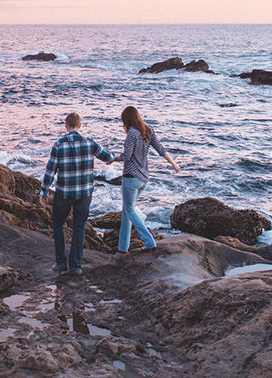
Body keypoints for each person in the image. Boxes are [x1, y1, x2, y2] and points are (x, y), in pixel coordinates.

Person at [40, 112, 114, 276]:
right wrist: (119, 157)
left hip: (64, 194)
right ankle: (75, 266)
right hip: (84, 193)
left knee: (58, 224)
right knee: (79, 227)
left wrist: (44, 192)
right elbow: (108, 158)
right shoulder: (89, 143)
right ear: (79, 126)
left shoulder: (59, 144)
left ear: (66, 126)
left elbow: (50, 171)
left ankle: (60, 263)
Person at [116, 105, 180, 252]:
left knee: (129, 210)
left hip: (131, 178)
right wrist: (174, 164)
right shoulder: (148, 130)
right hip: (143, 178)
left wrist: (111, 159)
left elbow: (126, 156)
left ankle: (149, 241)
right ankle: (122, 248)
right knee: (127, 212)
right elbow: (161, 150)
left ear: (126, 119)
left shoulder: (132, 133)